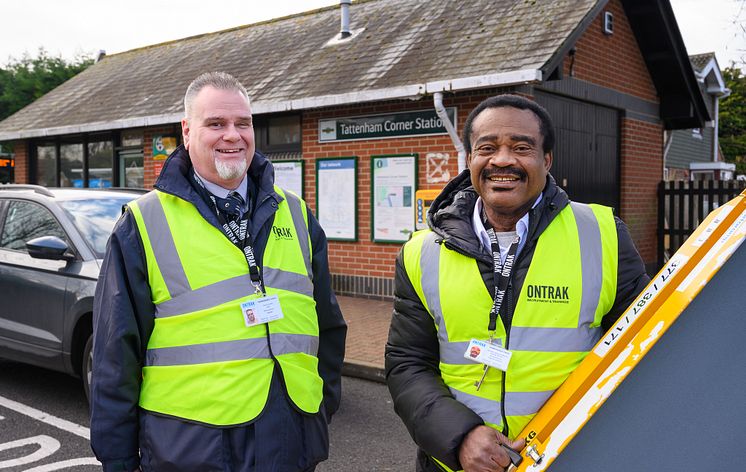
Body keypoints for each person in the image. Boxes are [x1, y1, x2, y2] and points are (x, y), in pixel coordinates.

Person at [90, 71, 347, 472]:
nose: (233, 135)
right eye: (216, 124)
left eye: (243, 123)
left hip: (290, 437)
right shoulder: (142, 224)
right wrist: (119, 459)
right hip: (191, 447)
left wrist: (318, 410)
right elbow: (114, 357)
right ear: (187, 131)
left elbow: (327, 325)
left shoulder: (296, 214)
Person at [385, 94, 650, 472]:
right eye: (487, 147)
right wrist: (459, 436)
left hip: (571, 456)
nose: (503, 160)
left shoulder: (603, 235)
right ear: (470, 160)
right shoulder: (421, 252)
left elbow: (639, 352)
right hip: (457, 463)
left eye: (522, 147)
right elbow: (407, 363)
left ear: (547, 160)